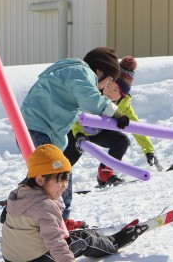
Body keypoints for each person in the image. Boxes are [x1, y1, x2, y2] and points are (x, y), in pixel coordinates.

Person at [19, 47, 131, 229]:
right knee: (59, 170)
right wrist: (114, 112)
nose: (106, 86)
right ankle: (61, 220)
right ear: (100, 71)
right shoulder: (82, 73)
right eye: (109, 80)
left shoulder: (69, 70)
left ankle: (15, 209)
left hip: (35, 126)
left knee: (42, 173)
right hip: (37, 127)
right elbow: (90, 100)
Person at [0, 144, 147, 262]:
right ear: (40, 180)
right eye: (59, 180)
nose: (64, 186)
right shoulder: (45, 206)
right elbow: (55, 240)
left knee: (77, 235)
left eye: (66, 180)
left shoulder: (19, 193)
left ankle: (106, 240)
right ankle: (114, 243)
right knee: (85, 238)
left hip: (12, 261)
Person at [65, 55, 164, 187]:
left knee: (122, 141)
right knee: (68, 160)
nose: (109, 92)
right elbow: (77, 115)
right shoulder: (94, 96)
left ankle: (105, 172)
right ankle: (52, 180)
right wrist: (78, 134)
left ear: (123, 94)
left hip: (99, 133)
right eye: (108, 86)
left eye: (115, 90)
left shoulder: (124, 106)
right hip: (77, 132)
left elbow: (136, 128)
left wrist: (149, 151)